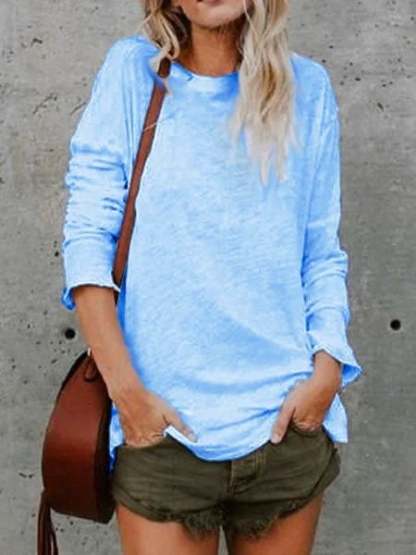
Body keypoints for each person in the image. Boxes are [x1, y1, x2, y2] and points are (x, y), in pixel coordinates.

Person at [60, 1, 364, 553]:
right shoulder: (134, 73)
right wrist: (128, 394)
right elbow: (87, 242)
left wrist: (326, 372)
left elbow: (320, 251)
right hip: (163, 434)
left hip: (285, 428)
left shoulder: (308, 89)